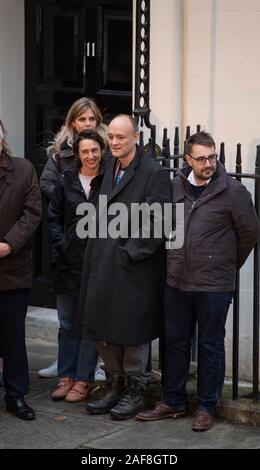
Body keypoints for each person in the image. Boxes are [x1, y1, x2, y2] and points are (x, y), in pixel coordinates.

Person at [136, 131, 260, 431]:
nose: (208, 163)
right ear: (188, 159)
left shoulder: (234, 191)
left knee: (210, 345)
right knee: (174, 342)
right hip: (176, 281)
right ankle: (173, 400)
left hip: (214, 285)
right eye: (202, 158)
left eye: (212, 157)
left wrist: (225, 263)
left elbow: (249, 234)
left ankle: (207, 406)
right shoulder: (175, 186)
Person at [76, 114, 172, 420]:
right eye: (112, 138)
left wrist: (128, 252)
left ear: (136, 138)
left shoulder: (153, 173)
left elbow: (159, 223)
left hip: (133, 267)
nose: (115, 143)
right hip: (102, 262)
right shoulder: (109, 166)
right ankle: (114, 384)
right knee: (101, 328)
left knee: (132, 333)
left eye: (121, 137)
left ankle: (136, 390)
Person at [38, 97, 107, 379]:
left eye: (92, 119)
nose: (87, 124)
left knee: (98, 314)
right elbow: (46, 186)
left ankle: (99, 366)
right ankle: (65, 366)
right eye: (82, 119)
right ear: (72, 122)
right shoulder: (59, 154)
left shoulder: (106, 152)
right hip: (69, 244)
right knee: (67, 318)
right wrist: (70, 199)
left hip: (98, 244)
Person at [48, 130, 106, 401]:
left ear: (101, 150)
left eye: (95, 150)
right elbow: (54, 217)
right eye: (85, 151)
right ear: (77, 153)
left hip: (97, 265)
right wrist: (62, 245)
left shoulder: (109, 180)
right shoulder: (65, 180)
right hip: (68, 264)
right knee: (68, 323)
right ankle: (66, 376)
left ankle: (83, 379)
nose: (91, 156)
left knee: (89, 325)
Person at [0, 119, 42, 420]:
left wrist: (8, 244)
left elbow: (32, 213)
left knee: (13, 338)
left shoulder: (23, 169)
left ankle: (15, 396)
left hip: (11, 271)